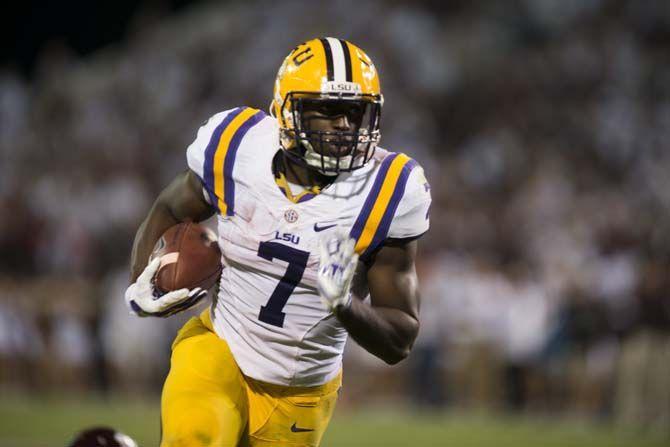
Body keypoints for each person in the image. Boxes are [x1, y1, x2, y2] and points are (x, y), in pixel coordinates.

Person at [124, 37, 432, 447]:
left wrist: (345, 305)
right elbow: (170, 207)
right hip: (219, 349)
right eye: (328, 110)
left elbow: (400, 339)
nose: (344, 125)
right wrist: (145, 279)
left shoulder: (391, 189)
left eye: (355, 112)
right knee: (193, 437)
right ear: (288, 112)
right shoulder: (237, 146)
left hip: (300, 394)